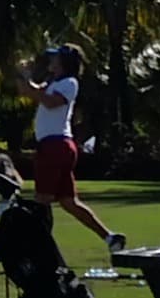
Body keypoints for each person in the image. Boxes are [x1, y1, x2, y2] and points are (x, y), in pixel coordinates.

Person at [17, 43, 119, 247]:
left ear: (64, 62)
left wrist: (28, 81)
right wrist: (23, 74)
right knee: (69, 202)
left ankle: (40, 248)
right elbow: (27, 92)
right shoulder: (54, 81)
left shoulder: (70, 83)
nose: (51, 61)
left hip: (55, 146)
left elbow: (50, 102)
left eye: (55, 58)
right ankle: (110, 238)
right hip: (58, 146)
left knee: (42, 201)